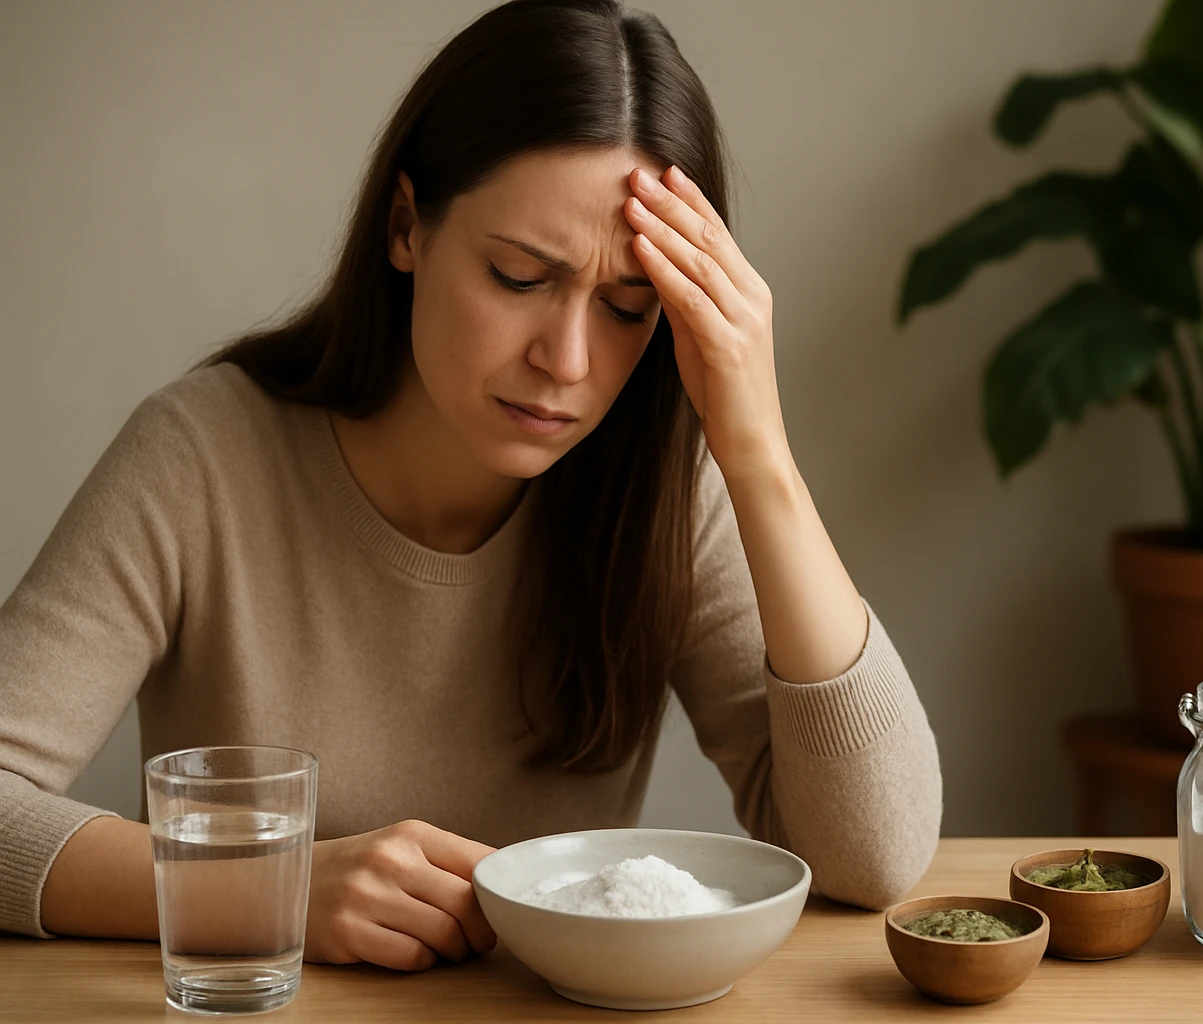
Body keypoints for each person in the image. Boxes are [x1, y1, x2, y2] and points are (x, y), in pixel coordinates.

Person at [0, 0, 941, 971]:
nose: (568, 359)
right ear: (407, 226)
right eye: (520, 276)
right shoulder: (199, 459)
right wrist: (271, 883)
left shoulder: (660, 490)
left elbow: (874, 857)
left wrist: (760, 458)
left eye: (628, 307)